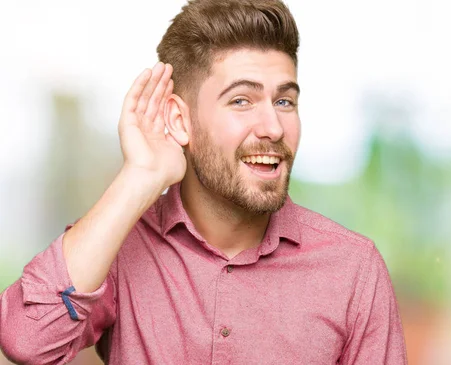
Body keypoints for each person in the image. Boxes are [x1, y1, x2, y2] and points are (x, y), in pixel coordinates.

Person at [0, 0, 407, 364]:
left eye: (284, 101)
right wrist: (139, 177)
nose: (273, 127)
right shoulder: (120, 249)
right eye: (241, 100)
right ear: (180, 120)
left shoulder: (353, 269)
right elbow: (27, 341)